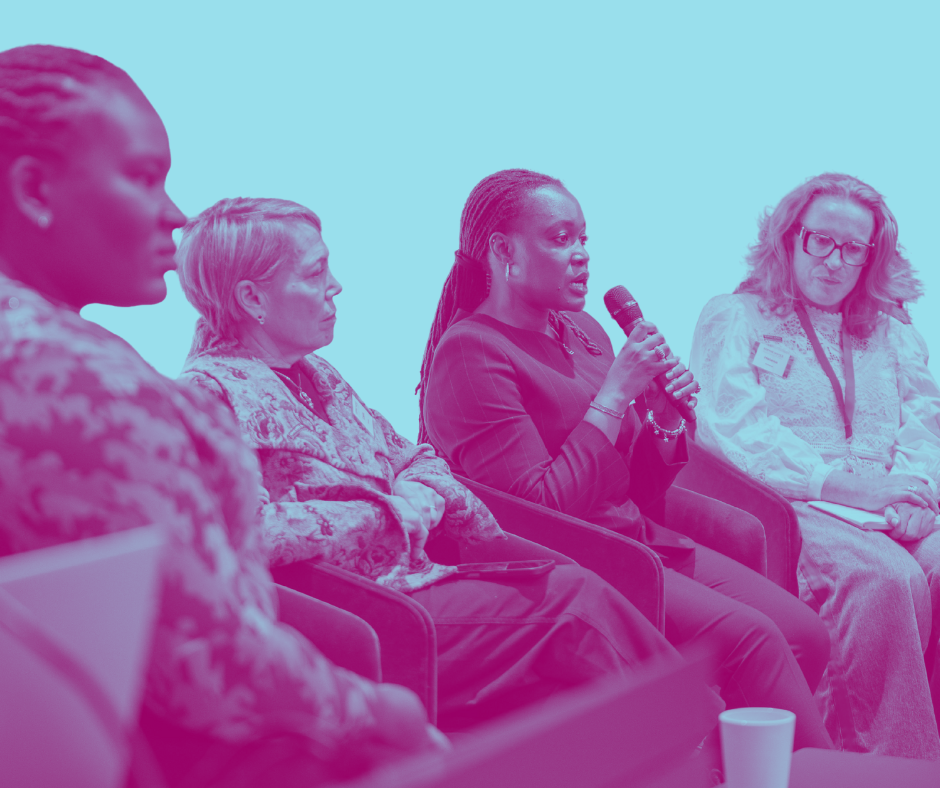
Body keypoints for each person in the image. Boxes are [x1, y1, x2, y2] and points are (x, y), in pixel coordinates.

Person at [0, 44, 445, 787]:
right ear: (36, 188)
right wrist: (380, 714)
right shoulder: (64, 372)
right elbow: (206, 664)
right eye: (144, 177)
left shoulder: (62, 349)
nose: (175, 214)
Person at [174, 196, 714, 734]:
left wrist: (417, 492)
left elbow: (417, 455)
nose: (336, 285)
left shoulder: (317, 372)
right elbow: (244, 534)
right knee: (579, 604)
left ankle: (698, 742)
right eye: (316, 273)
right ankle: (710, 739)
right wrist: (389, 510)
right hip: (361, 615)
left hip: (416, 579)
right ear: (251, 298)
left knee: (575, 604)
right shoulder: (210, 398)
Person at [418, 168, 833, 751]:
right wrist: (615, 394)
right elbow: (539, 508)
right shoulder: (470, 353)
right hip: (582, 562)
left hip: (638, 534)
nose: (582, 255)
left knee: (807, 635)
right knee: (756, 642)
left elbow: (636, 488)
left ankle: (741, 762)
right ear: (504, 251)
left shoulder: (586, 332)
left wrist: (662, 417)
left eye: (584, 237)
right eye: (560, 239)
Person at [689, 172, 940, 759]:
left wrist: (911, 492)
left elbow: (926, 419)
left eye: (853, 249)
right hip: (796, 502)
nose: (833, 261)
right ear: (789, 237)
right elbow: (734, 433)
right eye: (820, 241)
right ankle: (881, 762)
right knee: (888, 581)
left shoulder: (892, 330)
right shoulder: (737, 317)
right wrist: (854, 489)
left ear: (871, 257)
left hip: (891, 501)